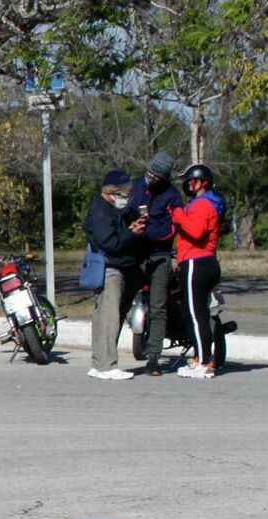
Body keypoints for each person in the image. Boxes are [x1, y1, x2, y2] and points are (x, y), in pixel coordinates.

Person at [84, 169, 148, 381]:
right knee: (110, 318)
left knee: (102, 317)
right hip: (110, 270)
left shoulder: (107, 209)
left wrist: (130, 225)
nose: (126, 199)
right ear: (113, 193)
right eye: (124, 195)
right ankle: (108, 365)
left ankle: (98, 363)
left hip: (111, 267)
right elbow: (110, 243)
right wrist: (132, 233)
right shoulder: (101, 211)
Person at [128, 152, 185, 375]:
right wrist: (132, 226)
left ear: (163, 177)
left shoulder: (172, 195)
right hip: (135, 253)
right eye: (149, 172)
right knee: (123, 300)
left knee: (158, 306)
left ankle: (153, 357)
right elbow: (121, 210)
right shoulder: (135, 186)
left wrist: (148, 232)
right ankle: (109, 355)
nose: (149, 177)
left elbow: (174, 226)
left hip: (159, 255)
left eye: (155, 175)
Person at [170, 164, 224, 379]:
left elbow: (196, 231)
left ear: (200, 183)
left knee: (196, 315)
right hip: (198, 261)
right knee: (193, 313)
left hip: (197, 262)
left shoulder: (202, 204)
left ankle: (204, 361)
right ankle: (198, 358)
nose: (186, 185)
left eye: (189, 181)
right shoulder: (201, 203)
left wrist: (178, 214)